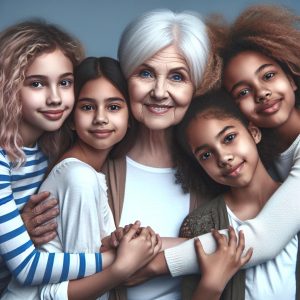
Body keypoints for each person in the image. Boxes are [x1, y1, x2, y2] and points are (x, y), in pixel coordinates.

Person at [0, 20, 147, 296]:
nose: (55, 98)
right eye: (36, 84)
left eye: (65, 82)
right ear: (8, 88)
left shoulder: (48, 152)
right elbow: (27, 268)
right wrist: (120, 262)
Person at [101, 8, 220, 300]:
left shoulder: (218, 171)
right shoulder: (95, 168)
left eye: (178, 77)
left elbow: (242, 247)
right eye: (145, 73)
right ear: (124, 78)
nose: (159, 91)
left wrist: (154, 259)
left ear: (196, 87)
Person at [175, 89, 298, 299]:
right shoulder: (200, 224)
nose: (223, 158)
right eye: (206, 155)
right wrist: (212, 284)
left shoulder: (294, 202)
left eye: (229, 138)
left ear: (254, 133)